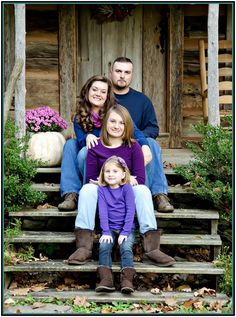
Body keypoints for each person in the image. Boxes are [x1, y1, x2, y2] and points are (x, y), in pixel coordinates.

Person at [68, 105, 175, 267]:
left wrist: (119, 181)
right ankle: (84, 247)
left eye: (121, 123)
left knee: (143, 190)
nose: (116, 126)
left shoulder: (134, 147)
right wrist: (121, 178)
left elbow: (139, 178)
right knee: (87, 189)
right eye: (112, 121)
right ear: (105, 123)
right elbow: (91, 179)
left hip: (126, 193)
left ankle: (152, 248)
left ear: (127, 126)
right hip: (103, 193)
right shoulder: (95, 147)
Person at [58, 75, 150, 211]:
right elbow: (83, 141)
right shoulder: (79, 117)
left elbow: (134, 130)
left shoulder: (114, 112)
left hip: (112, 156)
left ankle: (150, 196)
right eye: (95, 89)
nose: (98, 94)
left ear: (107, 95)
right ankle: (71, 194)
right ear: (87, 90)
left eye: (103, 91)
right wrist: (88, 136)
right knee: (71, 144)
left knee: (150, 144)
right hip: (91, 158)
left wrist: (145, 145)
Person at [110, 57, 174, 212]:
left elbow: (153, 128)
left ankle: (159, 194)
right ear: (111, 72)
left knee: (151, 143)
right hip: (110, 145)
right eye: (118, 71)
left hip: (134, 145)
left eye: (127, 72)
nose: (122, 76)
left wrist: (136, 139)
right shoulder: (104, 97)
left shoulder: (142, 100)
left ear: (132, 75)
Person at [95, 156, 136, 293]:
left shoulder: (127, 189)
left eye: (115, 171)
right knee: (104, 246)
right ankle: (106, 279)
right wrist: (105, 232)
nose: (111, 174)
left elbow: (130, 211)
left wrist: (125, 232)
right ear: (103, 174)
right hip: (110, 228)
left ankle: (127, 281)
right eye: (107, 171)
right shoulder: (102, 190)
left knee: (126, 247)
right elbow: (103, 212)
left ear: (123, 174)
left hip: (127, 228)